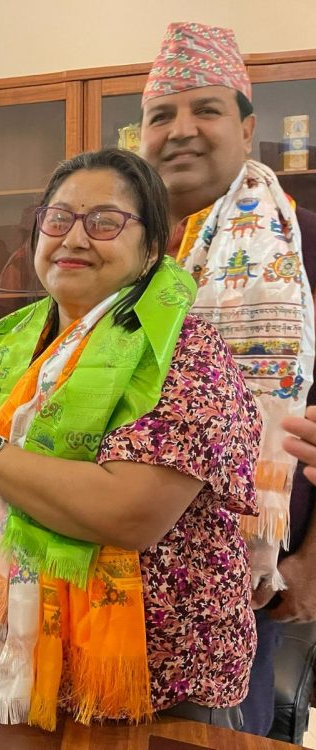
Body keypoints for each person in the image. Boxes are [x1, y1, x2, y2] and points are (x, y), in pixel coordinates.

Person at [0, 148, 260, 729]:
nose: (73, 238)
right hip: (9, 660)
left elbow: (128, 512)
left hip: (153, 682)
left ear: (153, 247)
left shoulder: (183, 352)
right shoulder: (10, 340)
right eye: (58, 218)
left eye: (104, 222)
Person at [137, 22, 316, 736]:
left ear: (246, 129)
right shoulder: (116, 247)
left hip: (249, 580)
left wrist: (312, 560)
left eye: (205, 110)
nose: (181, 130)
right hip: (111, 563)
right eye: (161, 115)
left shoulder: (301, 243)